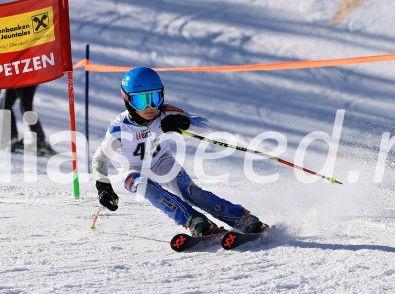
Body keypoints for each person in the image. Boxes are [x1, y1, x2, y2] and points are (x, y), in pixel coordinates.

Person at [91, 67, 267, 237]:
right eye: (140, 101)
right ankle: (194, 221)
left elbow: (204, 127)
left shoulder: (165, 113)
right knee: (145, 187)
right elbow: (99, 160)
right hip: (132, 170)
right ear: (128, 100)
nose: (149, 107)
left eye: (154, 97)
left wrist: (182, 122)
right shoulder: (119, 128)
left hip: (162, 162)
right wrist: (104, 188)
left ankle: (242, 219)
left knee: (192, 193)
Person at [0, 85, 58, 156]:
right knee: (5, 105)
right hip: (14, 79)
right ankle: (13, 137)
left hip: (27, 77)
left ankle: (40, 139)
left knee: (25, 106)